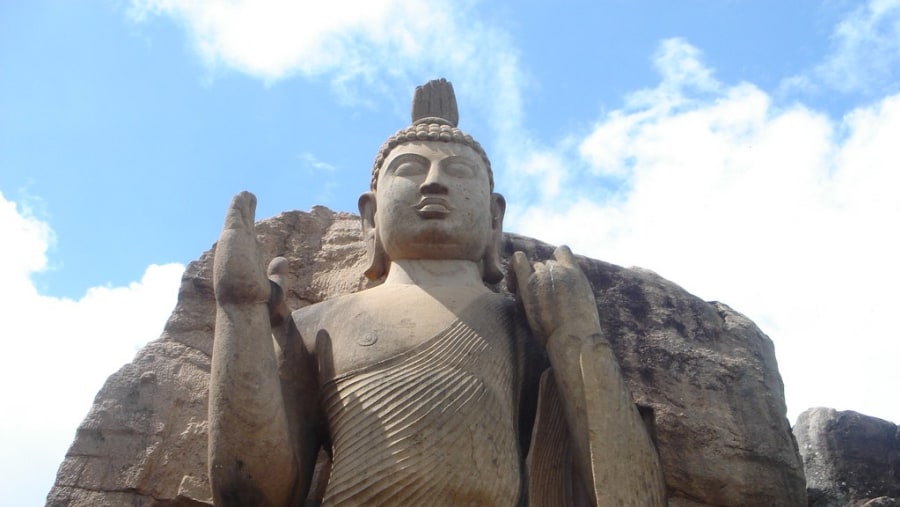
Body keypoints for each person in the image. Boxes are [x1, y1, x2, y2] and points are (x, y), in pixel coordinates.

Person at [208, 79, 665, 506]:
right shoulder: (318, 327)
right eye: (409, 169)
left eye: (459, 171)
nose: (433, 182)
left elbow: (630, 495)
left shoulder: (525, 327)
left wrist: (576, 338)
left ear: (493, 215)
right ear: (370, 217)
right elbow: (255, 493)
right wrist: (240, 313)